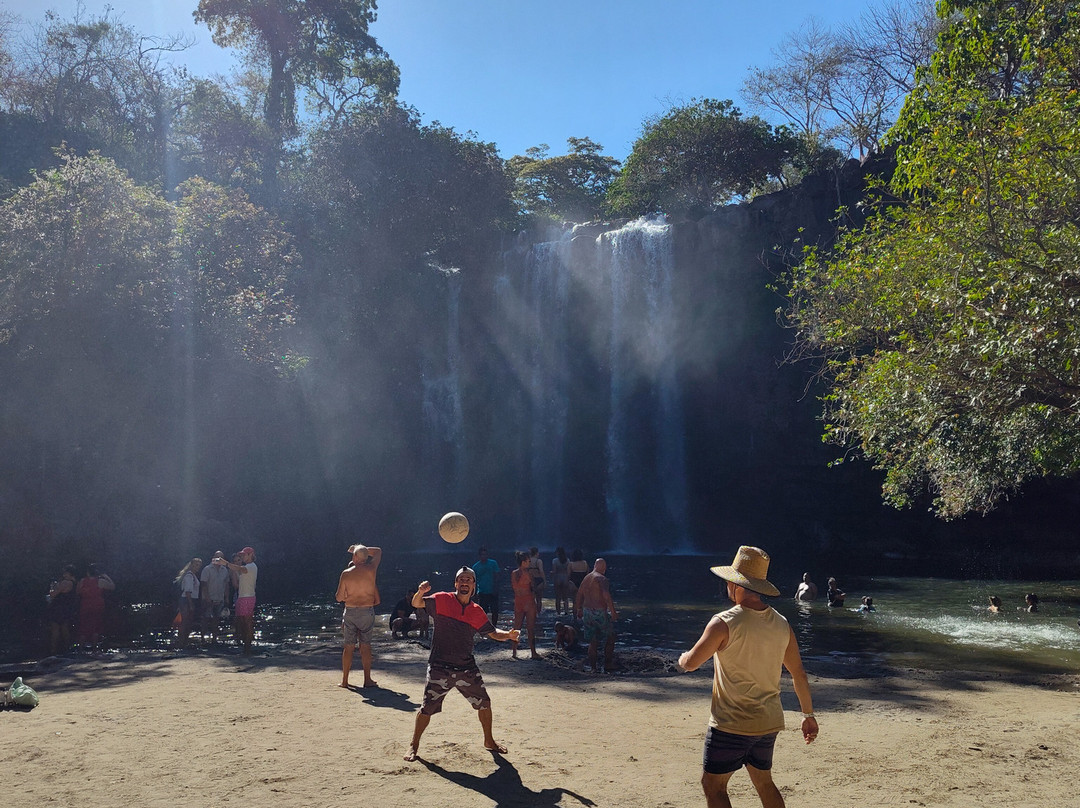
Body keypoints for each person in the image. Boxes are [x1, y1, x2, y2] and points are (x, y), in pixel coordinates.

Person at [677, 546, 817, 808]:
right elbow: (798, 673)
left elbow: (692, 663)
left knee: (713, 785)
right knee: (764, 783)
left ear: (735, 584)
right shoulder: (782, 623)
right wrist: (808, 715)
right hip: (767, 723)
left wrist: (682, 658)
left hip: (732, 723)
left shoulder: (724, 622)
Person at [403, 566, 520, 762]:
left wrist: (508, 635)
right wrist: (421, 592)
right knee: (427, 708)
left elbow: (491, 633)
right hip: (440, 666)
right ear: (456, 584)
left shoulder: (476, 611)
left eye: (469, 580)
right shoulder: (441, 599)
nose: (465, 583)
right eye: (461, 580)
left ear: (474, 586)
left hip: (466, 666)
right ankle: (413, 746)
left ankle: (489, 741)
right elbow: (417, 603)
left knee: (485, 703)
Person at [336, 543, 382, 688]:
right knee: (365, 646)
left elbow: (339, 597)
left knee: (348, 647)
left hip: (350, 611)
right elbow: (378, 551)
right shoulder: (371, 570)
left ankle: (344, 681)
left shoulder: (346, 573)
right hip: (366, 611)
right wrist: (361, 550)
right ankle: (367, 680)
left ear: (354, 557)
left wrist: (357, 550)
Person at [574, 557, 618, 673]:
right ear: (604, 568)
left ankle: (593, 668)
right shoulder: (601, 578)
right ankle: (608, 663)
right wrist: (613, 611)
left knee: (592, 641)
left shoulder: (587, 577)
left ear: (594, 566)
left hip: (587, 611)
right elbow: (606, 595)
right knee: (611, 636)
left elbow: (579, 594)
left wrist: (578, 609)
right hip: (599, 612)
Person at [224, 546, 258, 654]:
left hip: (247, 597)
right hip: (243, 597)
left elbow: (240, 569)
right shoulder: (248, 566)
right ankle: (246, 646)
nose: (242, 557)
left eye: (244, 555)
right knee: (243, 623)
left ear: (250, 555)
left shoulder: (251, 566)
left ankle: (247, 648)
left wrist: (225, 563)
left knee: (246, 623)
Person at [75, 563, 115, 648]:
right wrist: (106, 577)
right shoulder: (100, 581)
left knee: (83, 627)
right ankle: (94, 648)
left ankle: (80, 649)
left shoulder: (82, 581)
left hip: (85, 605)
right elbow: (112, 587)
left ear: (88, 572)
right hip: (97, 606)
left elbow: (77, 592)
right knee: (96, 628)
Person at [510, 551, 539, 659]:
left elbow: (515, 588)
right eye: (528, 561)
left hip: (518, 601)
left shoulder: (513, 573)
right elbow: (533, 589)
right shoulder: (529, 574)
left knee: (517, 627)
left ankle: (514, 652)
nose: (530, 563)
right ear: (523, 562)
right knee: (530, 628)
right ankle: (533, 652)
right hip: (528, 601)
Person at [200, 550, 232, 643]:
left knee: (216, 620)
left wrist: (226, 597)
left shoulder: (224, 570)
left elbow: (226, 584)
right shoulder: (207, 569)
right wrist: (207, 598)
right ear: (213, 557)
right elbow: (204, 584)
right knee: (205, 619)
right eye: (218, 557)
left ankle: (214, 639)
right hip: (208, 599)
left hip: (220, 598)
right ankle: (203, 638)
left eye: (221, 557)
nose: (219, 559)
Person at [46, 564, 78, 655]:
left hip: (58, 608)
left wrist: (52, 587)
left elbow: (53, 594)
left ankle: (53, 650)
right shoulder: (75, 582)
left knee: (55, 628)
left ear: (68, 573)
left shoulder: (65, 583)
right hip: (68, 607)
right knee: (65, 628)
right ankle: (67, 648)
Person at [174, 557, 203, 648]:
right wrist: (191, 604)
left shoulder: (193, 575)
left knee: (188, 621)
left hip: (189, 599)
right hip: (187, 600)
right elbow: (188, 591)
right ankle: (181, 642)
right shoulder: (189, 576)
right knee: (185, 622)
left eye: (198, 565)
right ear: (191, 565)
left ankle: (184, 642)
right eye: (195, 565)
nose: (197, 567)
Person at [471, 546, 501, 626]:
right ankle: (484, 627)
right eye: (482, 555)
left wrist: (496, 588)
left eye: (485, 554)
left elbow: (497, 575)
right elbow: (475, 581)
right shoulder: (475, 567)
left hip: (493, 591)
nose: (484, 556)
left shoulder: (493, 563)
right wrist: (474, 593)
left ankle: (494, 626)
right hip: (482, 592)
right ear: (479, 556)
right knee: (483, 611)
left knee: (495, 610)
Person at [551, 546, 572, 615]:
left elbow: (554, 571)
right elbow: (569, 571)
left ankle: (558, 612)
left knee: (558, 597)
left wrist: (551, 573)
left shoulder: (555, 561)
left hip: (557, 578)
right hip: (565, 577)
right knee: (565, 597)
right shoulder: (567, 560)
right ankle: (566, 611)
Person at [528, 546, 545, 614]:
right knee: (539, 599)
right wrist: (544, 580)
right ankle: (538, 613)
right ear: (536, 553)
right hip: (539, 580)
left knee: (531, 598)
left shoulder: (528, 560)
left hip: (530, 580)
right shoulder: (539, 561)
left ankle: (531, 613)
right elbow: (541, 571)